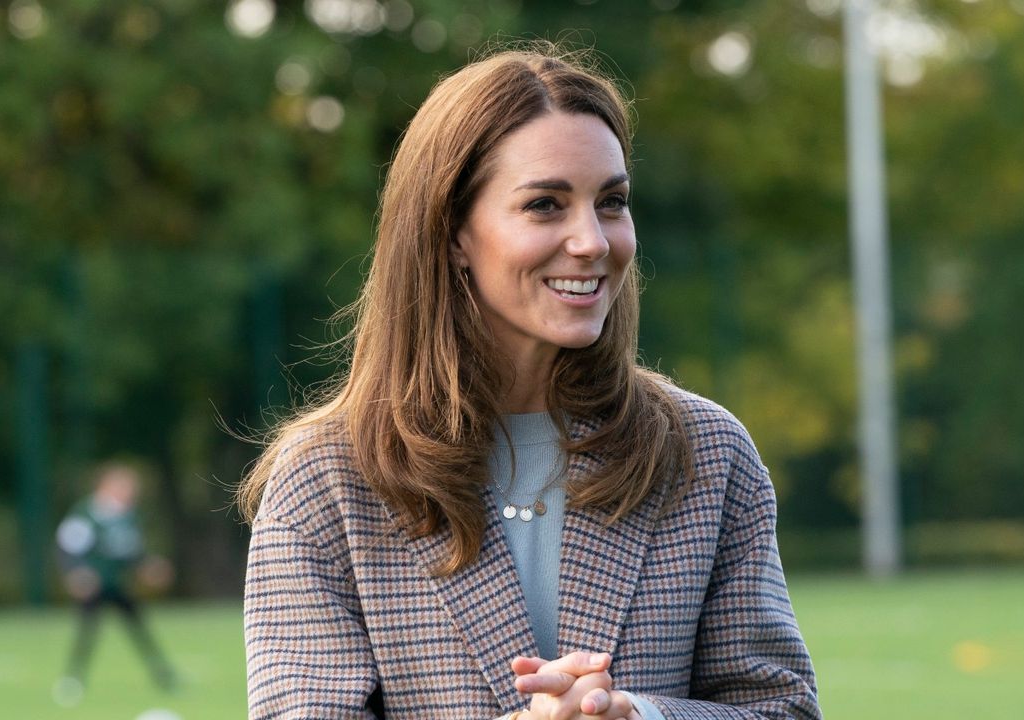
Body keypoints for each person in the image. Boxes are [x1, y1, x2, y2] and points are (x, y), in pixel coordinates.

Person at [240, 43, 822, 720]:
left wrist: (638, 714)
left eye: (612, 202)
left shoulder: (706, 454)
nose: (593, 241)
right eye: (546, 205)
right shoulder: (326, 478)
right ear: (453, 230)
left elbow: (782, 709)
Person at [54, 462, 175, 705]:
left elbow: (130, 552)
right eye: (123, 486)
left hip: (117, 585)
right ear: (106, 486)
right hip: (95, 586)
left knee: (139, 628)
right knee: (87, 632)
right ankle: (73, 679)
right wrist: (77, 573)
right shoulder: (87, 513)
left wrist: (149, 566)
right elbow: (68, 547)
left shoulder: (128, 516)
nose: (129, 492)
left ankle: (163, 675)